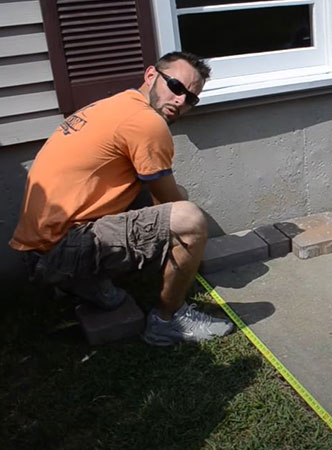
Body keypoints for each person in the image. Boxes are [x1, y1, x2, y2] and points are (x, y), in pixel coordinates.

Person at [10, 51, 234, 345]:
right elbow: (169, 205)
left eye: (191, 99)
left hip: (38, 252)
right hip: (60, 251)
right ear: (151, 75)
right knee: (188, 218)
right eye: (176, 87)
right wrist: (186, 245)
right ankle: (168, 320)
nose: (181, 101)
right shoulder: (146, 123)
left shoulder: (113, 106)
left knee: (159, 197)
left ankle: (81, 284)